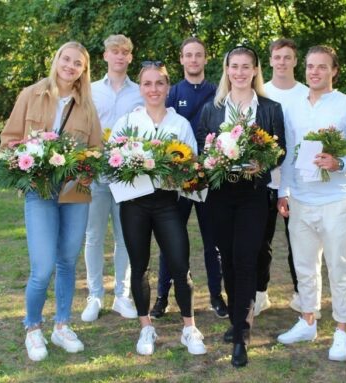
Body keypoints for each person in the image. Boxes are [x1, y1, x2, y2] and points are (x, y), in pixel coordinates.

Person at [0, 41, 102, 361]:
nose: (70, 66)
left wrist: (86, 171)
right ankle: (33, 328)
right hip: (39, 191)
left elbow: (96, 149)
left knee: (68, 261)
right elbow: (9, 139)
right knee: (42, 267)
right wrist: (20, 165)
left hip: (75, 192)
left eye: (78, 63)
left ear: (84, 71)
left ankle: (61, 326)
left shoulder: (86, 105)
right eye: (66, 60)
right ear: (56, 60)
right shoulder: (31, 95)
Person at [276, 45, 346, 362]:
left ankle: (341, 330)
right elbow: (288, 153)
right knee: (304, 267)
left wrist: (338, 162)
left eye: (321, 66)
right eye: (310, 66)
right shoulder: (293, 108)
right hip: (301, 199)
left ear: (334, 70)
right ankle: (307, 321)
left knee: (339, 267)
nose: (314, 72)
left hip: (335, 200)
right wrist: (283, 191)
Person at [197, 46, 285, 367]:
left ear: (255, 70)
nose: (239, 72)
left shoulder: (271, 108)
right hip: (221, 194)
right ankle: (237, 317)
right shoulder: (212, 109)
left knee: (247, 258)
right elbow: (201, 149)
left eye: (246, 66)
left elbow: (280, 150)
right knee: (229, 262)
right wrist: (213, 159)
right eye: (234, 66)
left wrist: (261, 163)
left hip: (253, 194)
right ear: (226, 69)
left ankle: (241, 331)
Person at [111, 62, 206, 356]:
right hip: (134, 206)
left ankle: (189, 328)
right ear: (140, 88)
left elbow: (193, 166)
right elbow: (111, 162)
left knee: (180, 265)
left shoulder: (180, 125)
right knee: (139, 267)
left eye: (159, 83)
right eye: (147, 84)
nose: (153, 89)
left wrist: (180, 173)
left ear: (167, 87)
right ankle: (146, 328)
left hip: (167, 205)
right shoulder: (127, 123)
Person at [150, 37, 227, 320]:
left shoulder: (218, 92)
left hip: (208, 177)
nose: (193, 60)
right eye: (188, 55)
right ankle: (162, 297)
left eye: (198, 55)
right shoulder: (171, 93)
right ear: (181, 60)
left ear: (206, 59)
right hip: (178, 181)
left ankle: (217, 297)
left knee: (213, 242)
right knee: (171, 242)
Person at [254, 38, 321, 318]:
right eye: (277, 57)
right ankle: (259, 295)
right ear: (269, 61)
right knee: (260, 241)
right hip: (263, 181)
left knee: (301, 243)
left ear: (295, 61)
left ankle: (303, 296)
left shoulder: (308, 94)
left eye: (287, 57)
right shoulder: (260, 93)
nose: (282, 62)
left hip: (299, 183)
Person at [81, 35, 142, 323]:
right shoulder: (90, 91)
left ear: (130, 57)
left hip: (128, 177)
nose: (120, 56)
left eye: (125, 52)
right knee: (93, 236)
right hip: (96, 175)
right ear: (105, 56)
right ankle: (95, 295)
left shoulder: (139, 92)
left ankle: (122, 295)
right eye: (114, 52)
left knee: (125, 238)